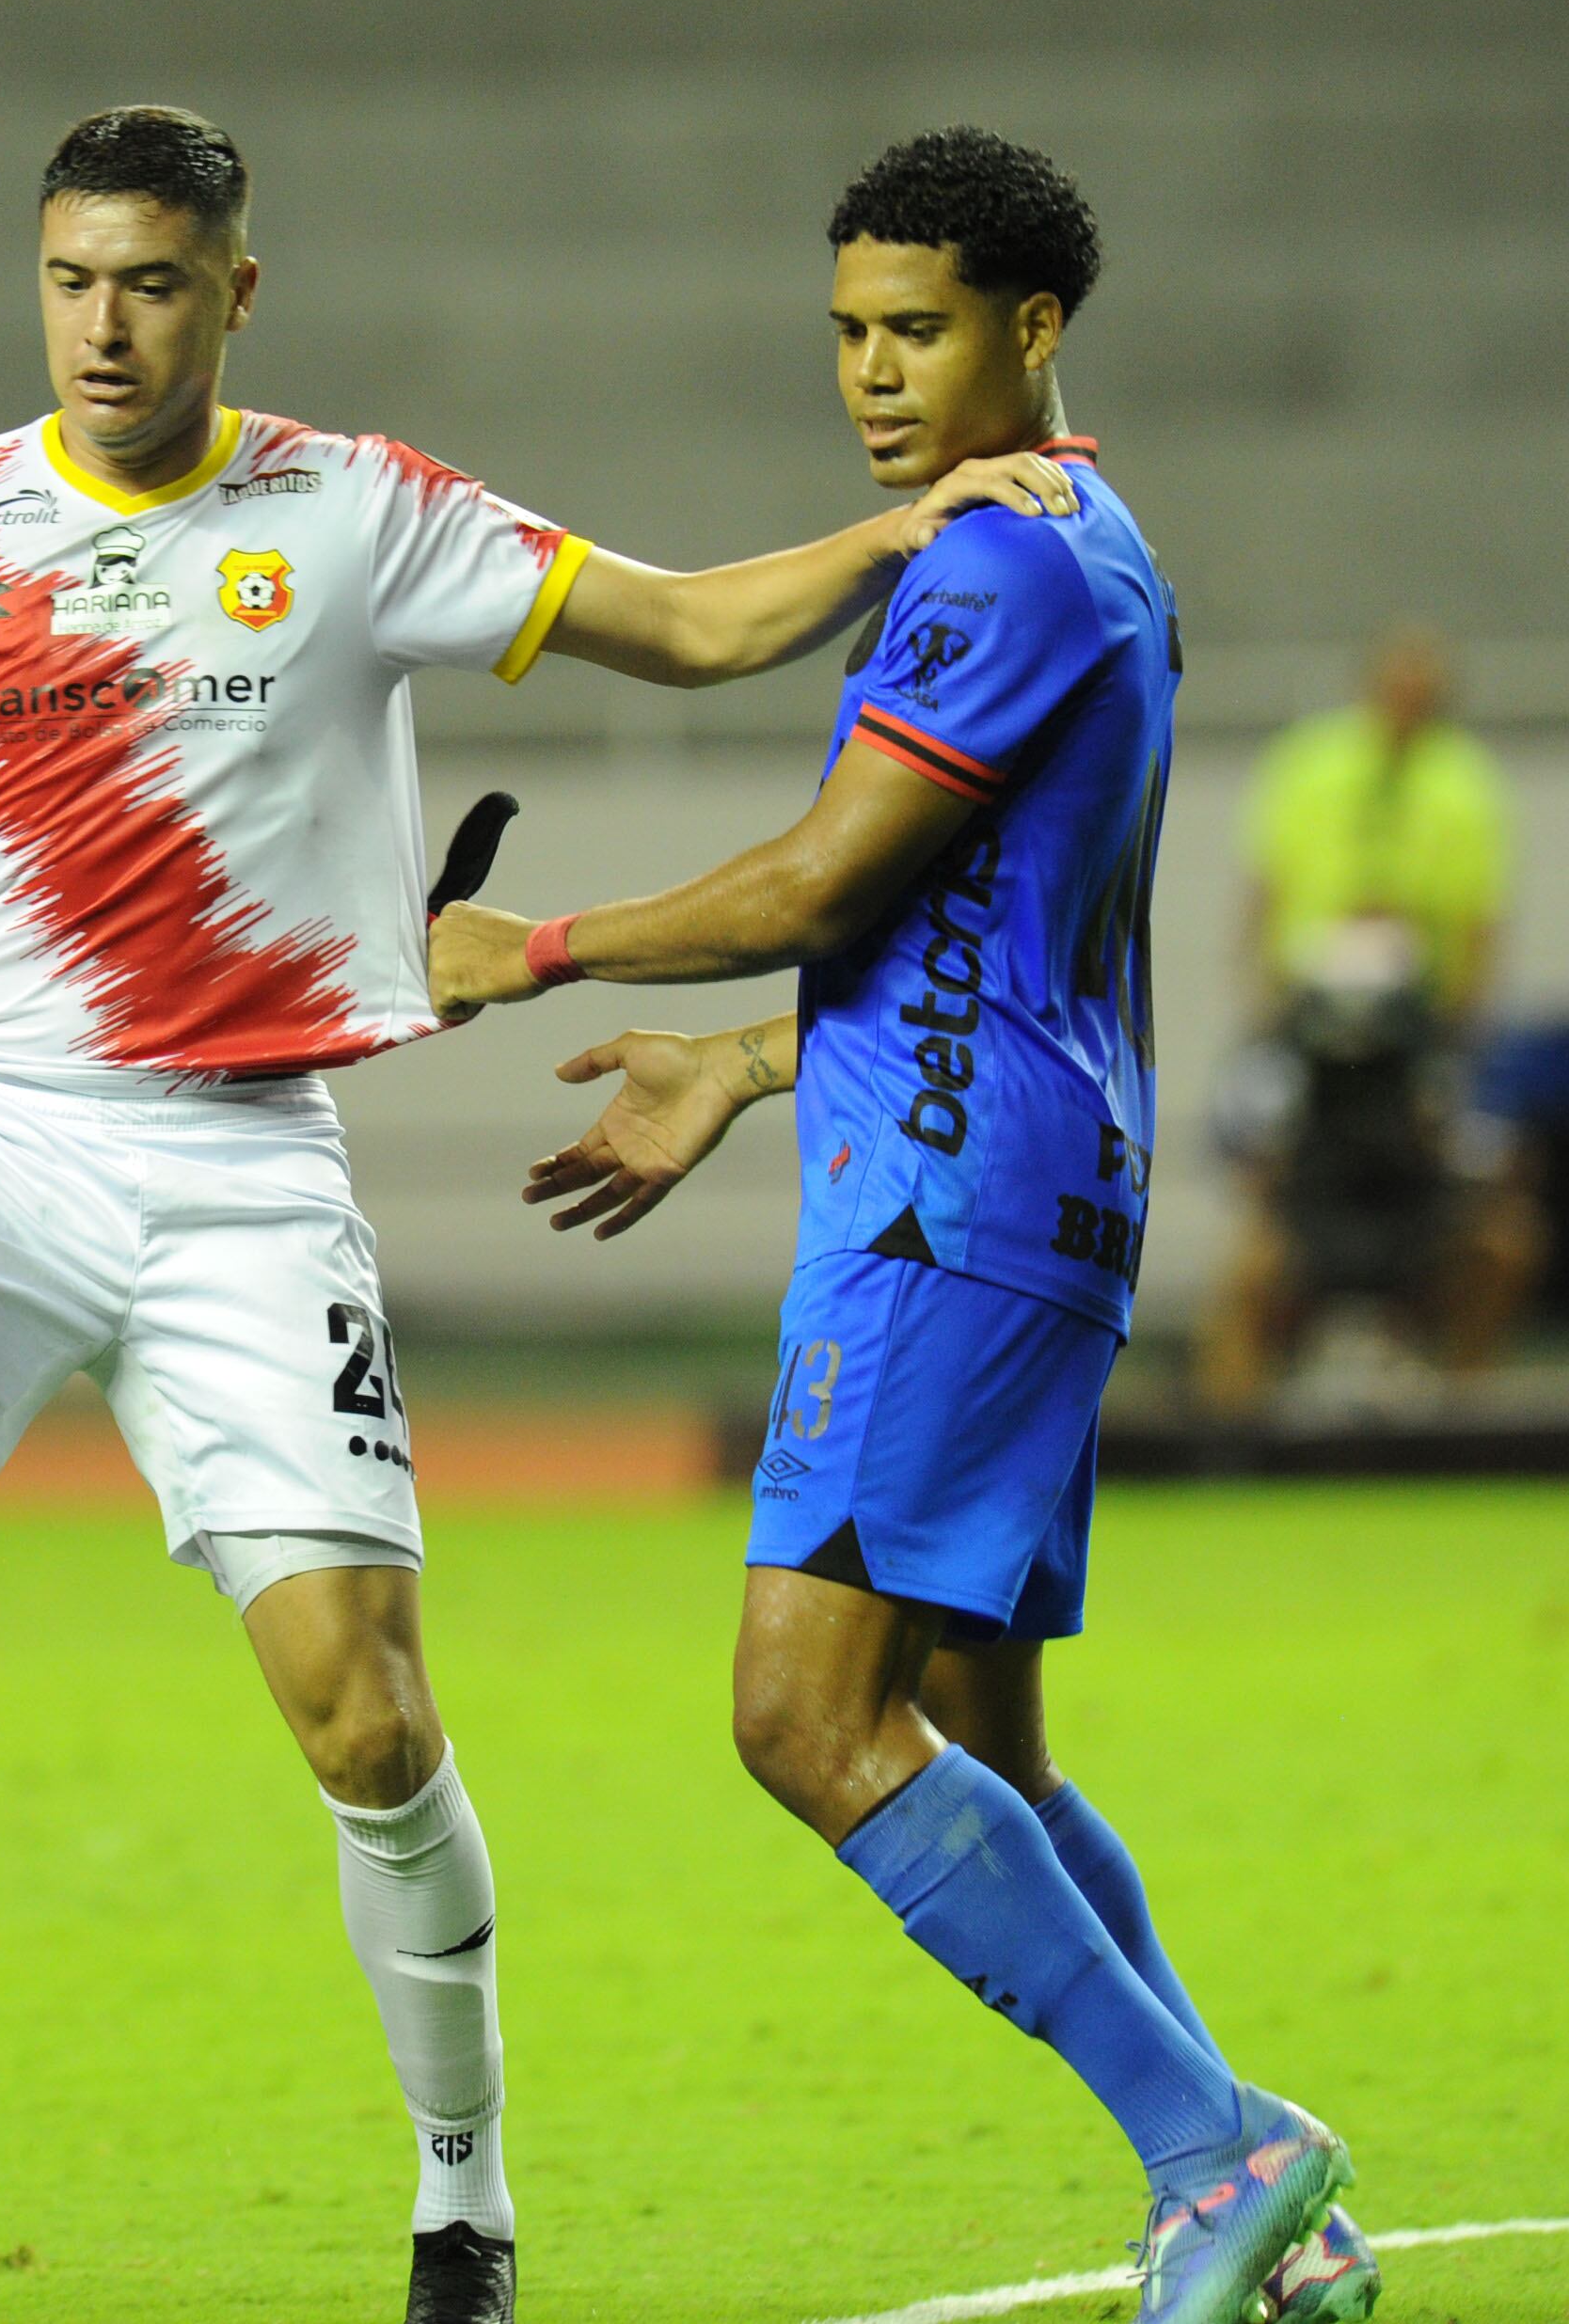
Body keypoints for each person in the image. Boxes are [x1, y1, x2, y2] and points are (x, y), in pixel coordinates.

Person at [0, 103, 1077, 2324]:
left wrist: (894, 531)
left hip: (246, 1171)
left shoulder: (355, 510)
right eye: (69, 280)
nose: (103, 324)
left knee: (367, 1722)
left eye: (152, 282)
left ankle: (465, 2210)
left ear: (235, 291)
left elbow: (680, 625)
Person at [432, 129, 1368, 2324]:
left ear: (1032, 330)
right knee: (985, 1743)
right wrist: (749, 1062)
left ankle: (1221, 2152)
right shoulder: (1088, 547)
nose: (871, 371)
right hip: (1033, 1178)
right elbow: (980, 923)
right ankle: (1267, 2212)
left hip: (944, 1212)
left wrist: (534, 947)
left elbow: (824, 872)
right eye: (849, 329)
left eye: (917, 330)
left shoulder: (1001, 566)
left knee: (804, 1716)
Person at [1198, 625, 1537, 1411]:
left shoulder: (1468, 783)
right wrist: (1265, 1006)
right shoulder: (1308, 762)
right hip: (1306, 1044)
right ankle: (1230, 1444)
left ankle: (1464, 1430)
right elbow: (1264, 891)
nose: (1407, 708)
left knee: (1503, 1246)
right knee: (1247, 1272)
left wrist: (1456, 1033)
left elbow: (1481, 924)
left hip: (1419, 1052)